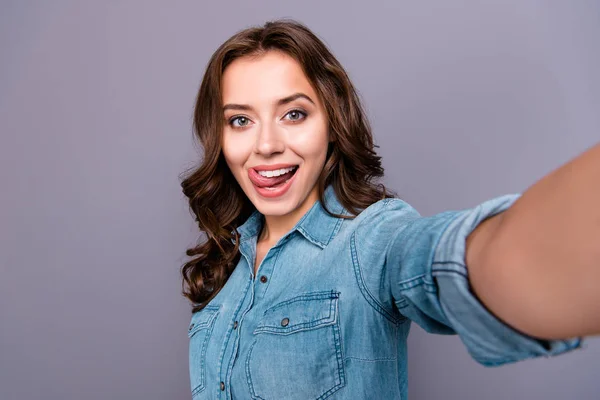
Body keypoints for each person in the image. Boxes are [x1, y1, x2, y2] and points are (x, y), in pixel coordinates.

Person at [180, 19, 597, 400]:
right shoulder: (225, 266)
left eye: (294, 114)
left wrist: (522, 255)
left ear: (332, 122)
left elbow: (456, 260)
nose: (267, 145)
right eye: (239, 121)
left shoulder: (373, 236)